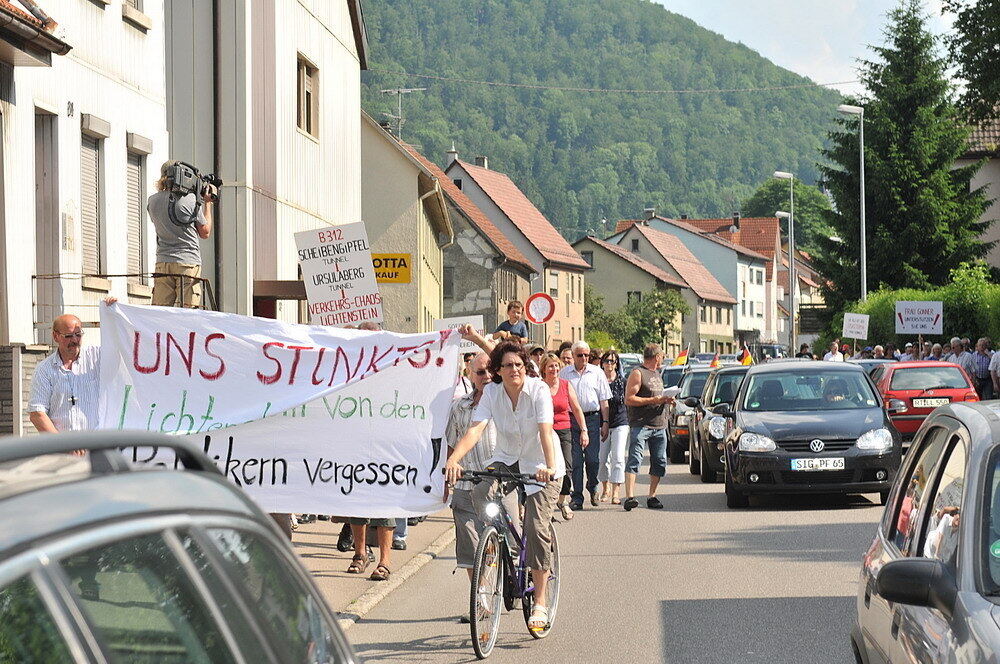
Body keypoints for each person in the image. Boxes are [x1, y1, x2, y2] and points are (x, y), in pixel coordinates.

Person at [444, 341, 565, 631]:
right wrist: (454, 461)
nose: (515, 370)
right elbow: (475, 429)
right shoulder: (493, 393)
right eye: (508, 365)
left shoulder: (537, 391)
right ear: (498, 370)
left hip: (541, 464)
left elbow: (545, 432)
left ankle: (539, 601)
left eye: (519, 365)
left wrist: (548, 467)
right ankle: (496, 541)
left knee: (536, 528)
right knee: (481, 490)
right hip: (507, 458)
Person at [444, 351, 504, 622]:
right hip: (466, 481)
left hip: (497, 483)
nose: (487, 376)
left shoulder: (503, 401)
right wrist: (446, 475)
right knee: (469, 545)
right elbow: (452, 443)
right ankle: (480, 596)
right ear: (470, 375)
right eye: (480, 372)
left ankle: (493, 585)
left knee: (499, 541)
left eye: (490, 370)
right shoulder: (459, 407)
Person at [28, 302, 117, 436]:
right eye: (69, 336)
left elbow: (122, 348)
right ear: (55, 336)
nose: (75, 340)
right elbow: (37, 414)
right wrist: (64, 445)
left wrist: (114, 312)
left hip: (97, 447)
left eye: (78, 334)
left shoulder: (97, 357)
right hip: (61, 452)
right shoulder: (44, 370)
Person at [147, 161, 214, 307]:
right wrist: (207, 203)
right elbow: (205, 232)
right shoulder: (190, 201)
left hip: (163, 262)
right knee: (188, 311)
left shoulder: (152, 201)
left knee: (160, 311)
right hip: (187, 263)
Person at [559, 341, 611, 510]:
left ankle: (593, 486)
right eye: (580, 355)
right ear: (573, 356)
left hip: (592, 419)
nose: (584, 358)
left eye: (587, 355)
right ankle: (577, 496)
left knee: (593, 459)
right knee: (575, 461)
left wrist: (605, 422)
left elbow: (604, 401)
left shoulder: (597, 372)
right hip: (571, 419)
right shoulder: (564, 373)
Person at [623, 343, 673, 511]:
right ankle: (630, 497)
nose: (662, 360)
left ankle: (652, 496)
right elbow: (629, 399)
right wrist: (654, 400)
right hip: (641, 424)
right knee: (635, 459)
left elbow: (657, 396)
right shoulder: (638, 373)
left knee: (659, 461)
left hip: (659, 424)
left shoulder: (656, 373)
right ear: (657, 357)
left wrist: (667, 399)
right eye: (662, 357)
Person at [540, 353, 585, 521]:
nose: (554, 369)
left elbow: (576, 408)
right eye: (551, 366)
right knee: (547, 467)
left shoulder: (566, 385)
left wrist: (584, 430)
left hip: (564, 429)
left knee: (566, 467)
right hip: (545, 431)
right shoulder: (540, 386)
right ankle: (548, 505)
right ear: (544, 369)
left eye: (556, 366)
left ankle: (562, 500)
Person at [597, 350, 629, 504]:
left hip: (620, 422)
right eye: (606, 361)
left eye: (612, 361)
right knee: (602, 459)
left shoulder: (623, 382)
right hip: (601, 423)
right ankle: (605, 487)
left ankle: (616, 492)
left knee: (617, 457)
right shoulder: (597, 380)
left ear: (617, 364)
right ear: (601, 363)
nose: (609, 364)